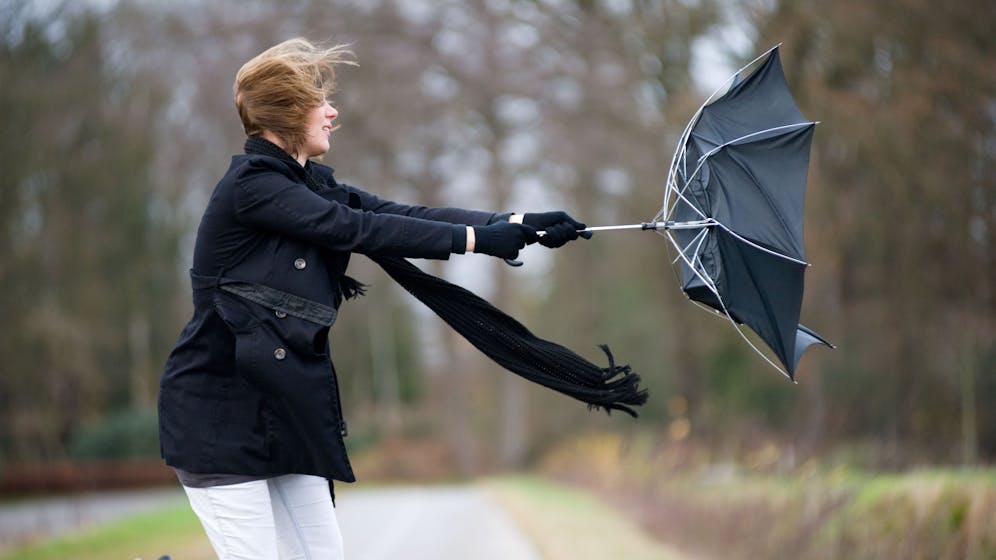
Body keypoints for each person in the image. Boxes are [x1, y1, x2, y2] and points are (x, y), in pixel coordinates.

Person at [157, 37, 589, 559]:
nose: (332, 112)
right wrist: (478, 241)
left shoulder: (308, 184)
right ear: (288, 112)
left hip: (285, 414)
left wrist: (515, 222)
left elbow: (397, 214)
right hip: (219, 420)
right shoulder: (252, 188)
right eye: (320, 102)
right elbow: (355, 228)